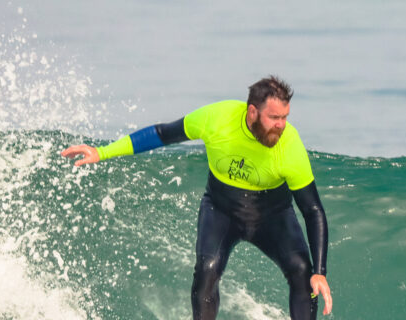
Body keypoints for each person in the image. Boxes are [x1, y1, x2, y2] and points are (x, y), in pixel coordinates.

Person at [60, 76, 332, 319]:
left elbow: (312, 210)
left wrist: (320, 271)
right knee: (207, 269)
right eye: (274, 118)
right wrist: (103, 152)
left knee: (302, 271)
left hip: (272, 215)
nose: (282, 126)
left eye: (285, 117)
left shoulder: (290, 146)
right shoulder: (217, 119)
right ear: (252, 111)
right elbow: (161, 134)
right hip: (222, 209)